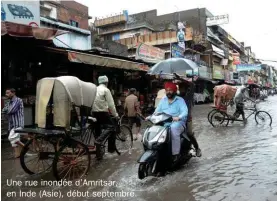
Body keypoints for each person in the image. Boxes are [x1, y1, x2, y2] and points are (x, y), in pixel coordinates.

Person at [155, 82, 201, 161]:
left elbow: (193, 86)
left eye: (183, 88)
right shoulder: (173, 96)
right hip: (172, 119)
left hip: (186, 119)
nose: (181, 90)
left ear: (187, 89)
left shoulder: (188, 96)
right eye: (180, 88)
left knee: (189, 134)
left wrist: (182, 79)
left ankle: (197, 148)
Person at [92, 75, 119, 160]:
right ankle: (106, 146)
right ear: (106, 82)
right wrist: (116, 115)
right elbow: (111, 105)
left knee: (97, 131)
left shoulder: (94, 89)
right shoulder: (106, 90)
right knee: (111, 127)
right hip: (102, 112)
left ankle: (98, 154)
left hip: (93, 113)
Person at [2, 88, 24, 158]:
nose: (6, 94)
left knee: (12, 137)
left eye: (8, 93)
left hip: (18, 123)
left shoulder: (18, 100)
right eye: (6, 93)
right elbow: (4, 109)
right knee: (14, 140)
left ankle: (25, 147)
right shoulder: (9, 102)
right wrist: (5, 110)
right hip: (11, 124)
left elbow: (12, 110)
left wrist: (5, 111)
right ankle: (18, 154)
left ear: (13, 93)